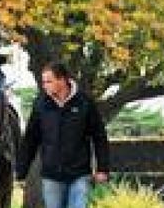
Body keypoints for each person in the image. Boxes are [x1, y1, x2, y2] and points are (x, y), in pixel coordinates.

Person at [16, 62, 110, 208]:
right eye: (43, 82)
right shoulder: (41, 104)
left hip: (80, 175)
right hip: (51, 176)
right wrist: (21, 172)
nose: (44, 85)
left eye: (49, 81)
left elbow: (99, 137)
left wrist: (102, 169)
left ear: (62, 80)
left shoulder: (85, 102)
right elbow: (30, 140)